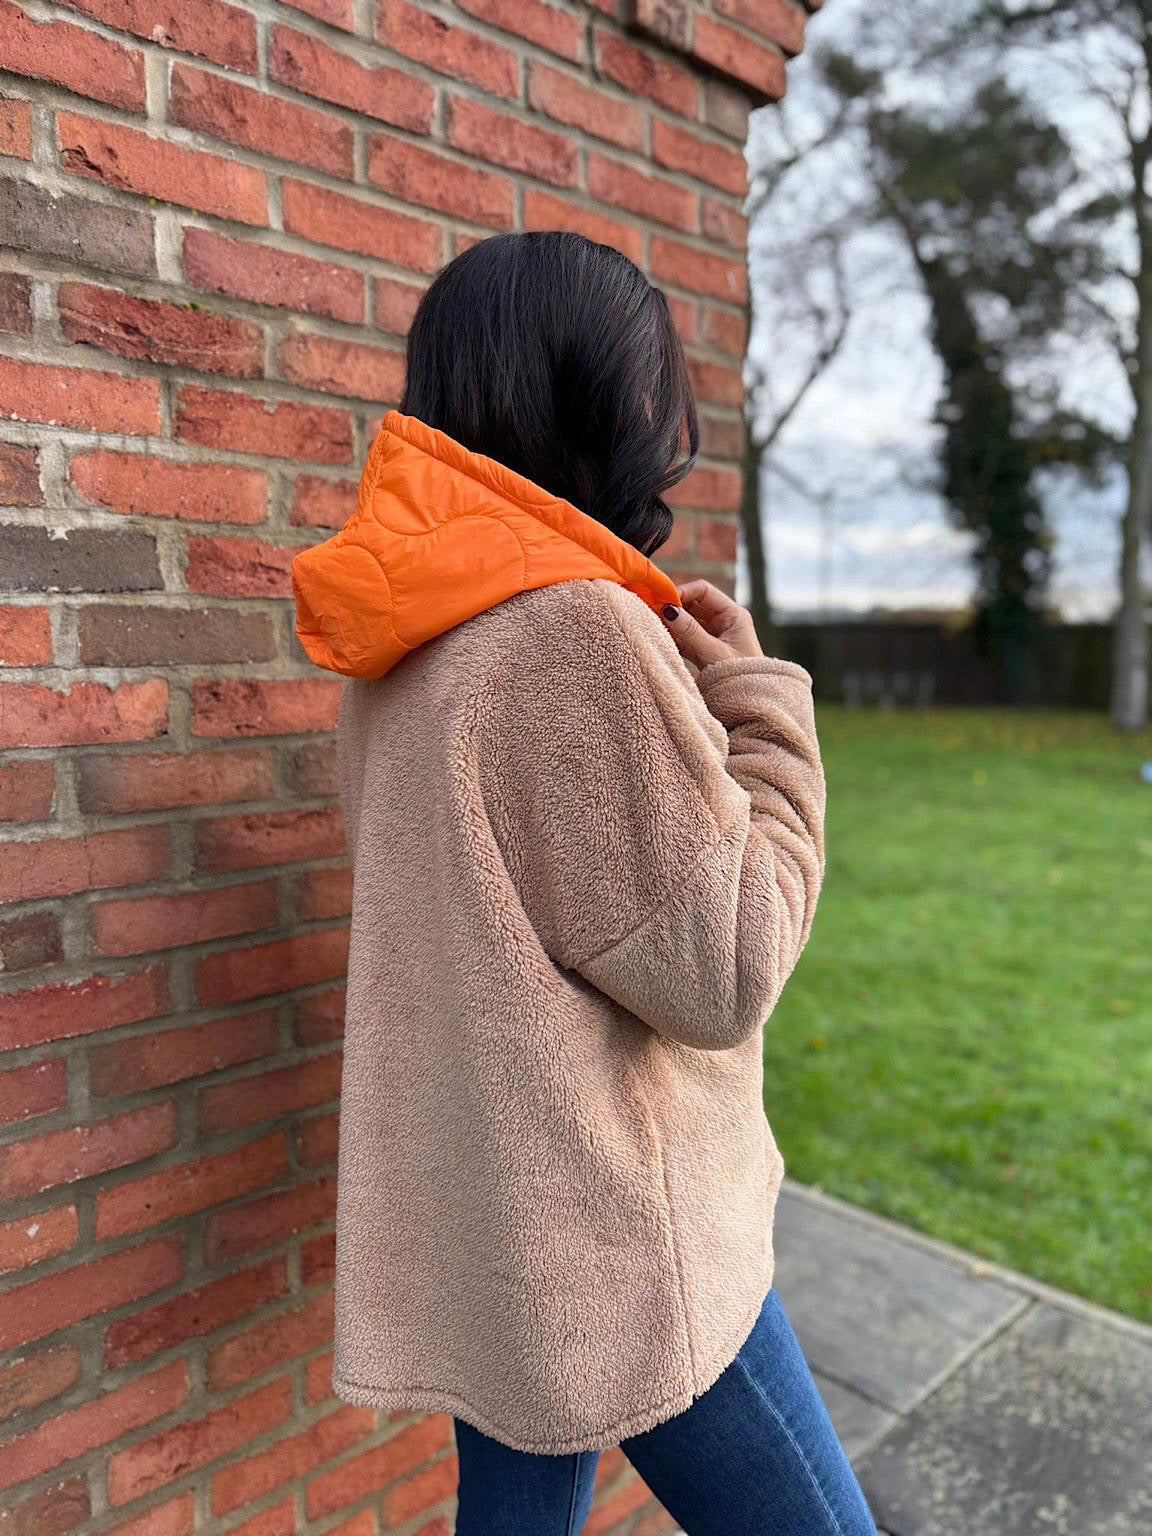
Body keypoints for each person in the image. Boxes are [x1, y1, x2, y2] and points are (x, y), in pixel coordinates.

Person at [291, 231, 876, 1536]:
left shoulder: (402, 646)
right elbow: (726, 965)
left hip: (508, 1227)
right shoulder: (569, 631)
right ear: (600, 396)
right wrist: (767, 712)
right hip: (625, 1238)